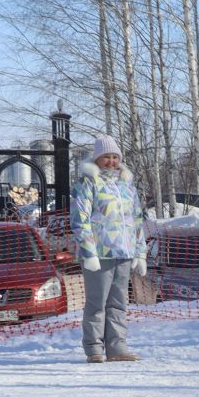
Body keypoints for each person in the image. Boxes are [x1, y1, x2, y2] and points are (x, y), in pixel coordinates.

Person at [71, 134, 148, 363]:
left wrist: (140, 252)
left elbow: (136, 219)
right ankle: (94, 348)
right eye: (107, 157)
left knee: (118, 302)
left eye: (115, 157)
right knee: (97, 302)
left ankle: (117, 347)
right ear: (97, 159)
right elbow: (79, 219)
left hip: (123, 252)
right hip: (100, 253)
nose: (112, 161)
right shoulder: (87, 183)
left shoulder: (126, 185)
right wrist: (88, 252)